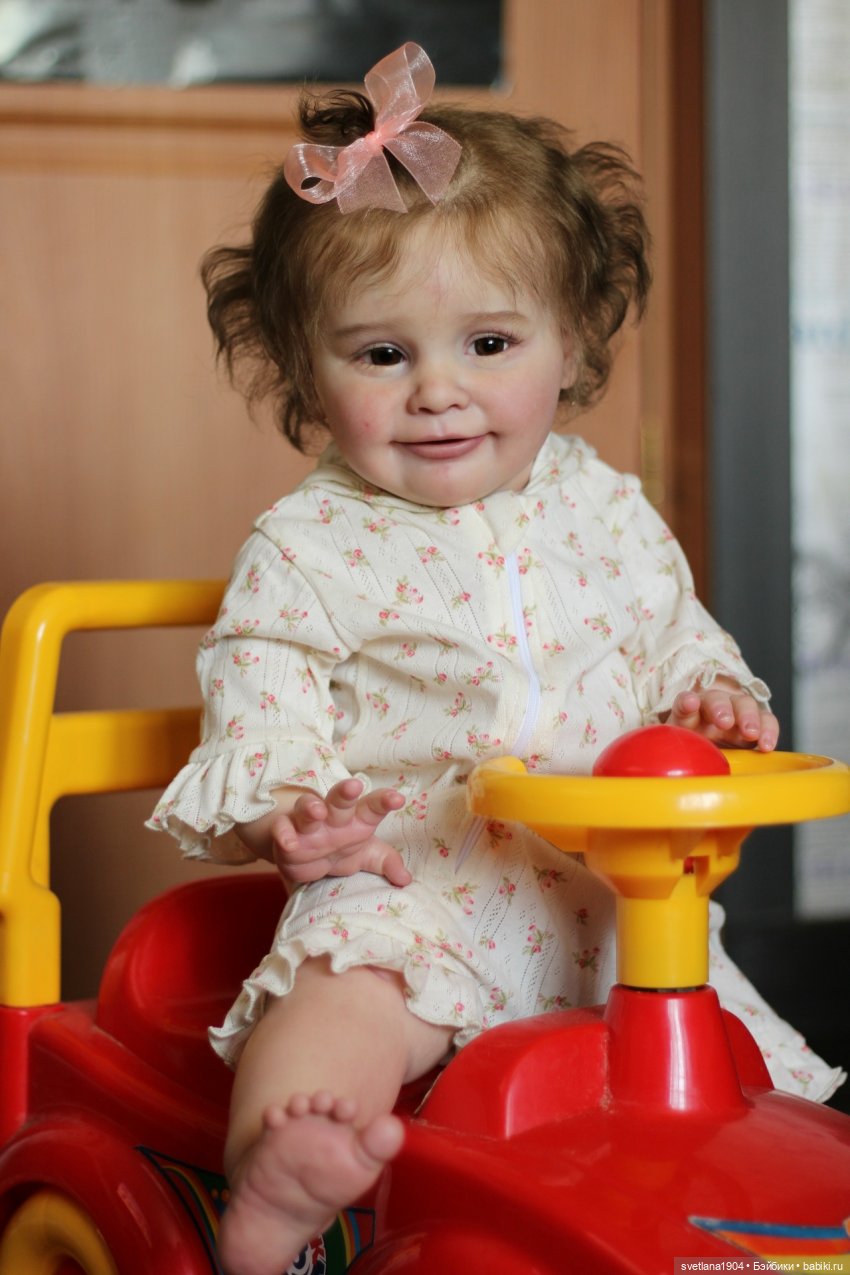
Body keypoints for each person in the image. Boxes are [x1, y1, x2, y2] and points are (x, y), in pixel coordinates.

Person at [148, 43, 843, 1275]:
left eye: (487, 343)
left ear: (570, 345)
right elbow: (261, 697)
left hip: (609, 899)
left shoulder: (606, 509)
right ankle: (284, 1168)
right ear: (303, 371)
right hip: (419, 886)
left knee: (737, 1073)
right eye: (382, 355)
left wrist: (712, 699)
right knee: (340, 1002)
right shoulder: (308, 546)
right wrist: (290, 811)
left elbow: (673, 632)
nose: (437, 391)